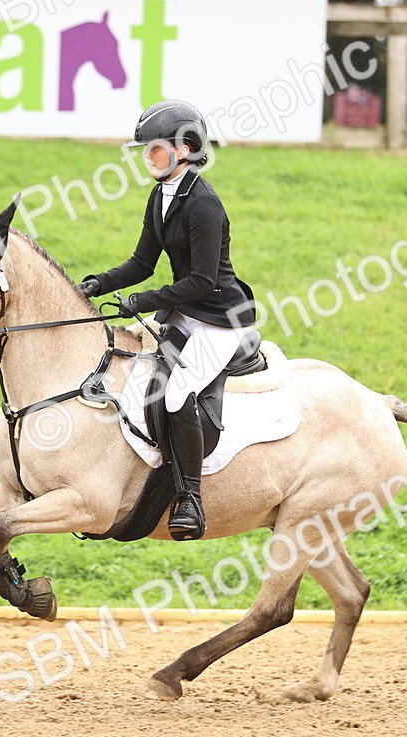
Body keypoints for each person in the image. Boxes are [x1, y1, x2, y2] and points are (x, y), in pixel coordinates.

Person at [76, 99, 256, 539]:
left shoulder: (204, 205)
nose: (146, 156)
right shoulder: (160, 195)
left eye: (154, 148)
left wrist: (143, 300)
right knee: (138, 378)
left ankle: (189, 497)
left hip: (218, 318)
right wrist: (97, 283)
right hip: (184, 310)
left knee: (177, 393)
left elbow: (202, 280)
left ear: (185, 148)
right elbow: (141, 262)